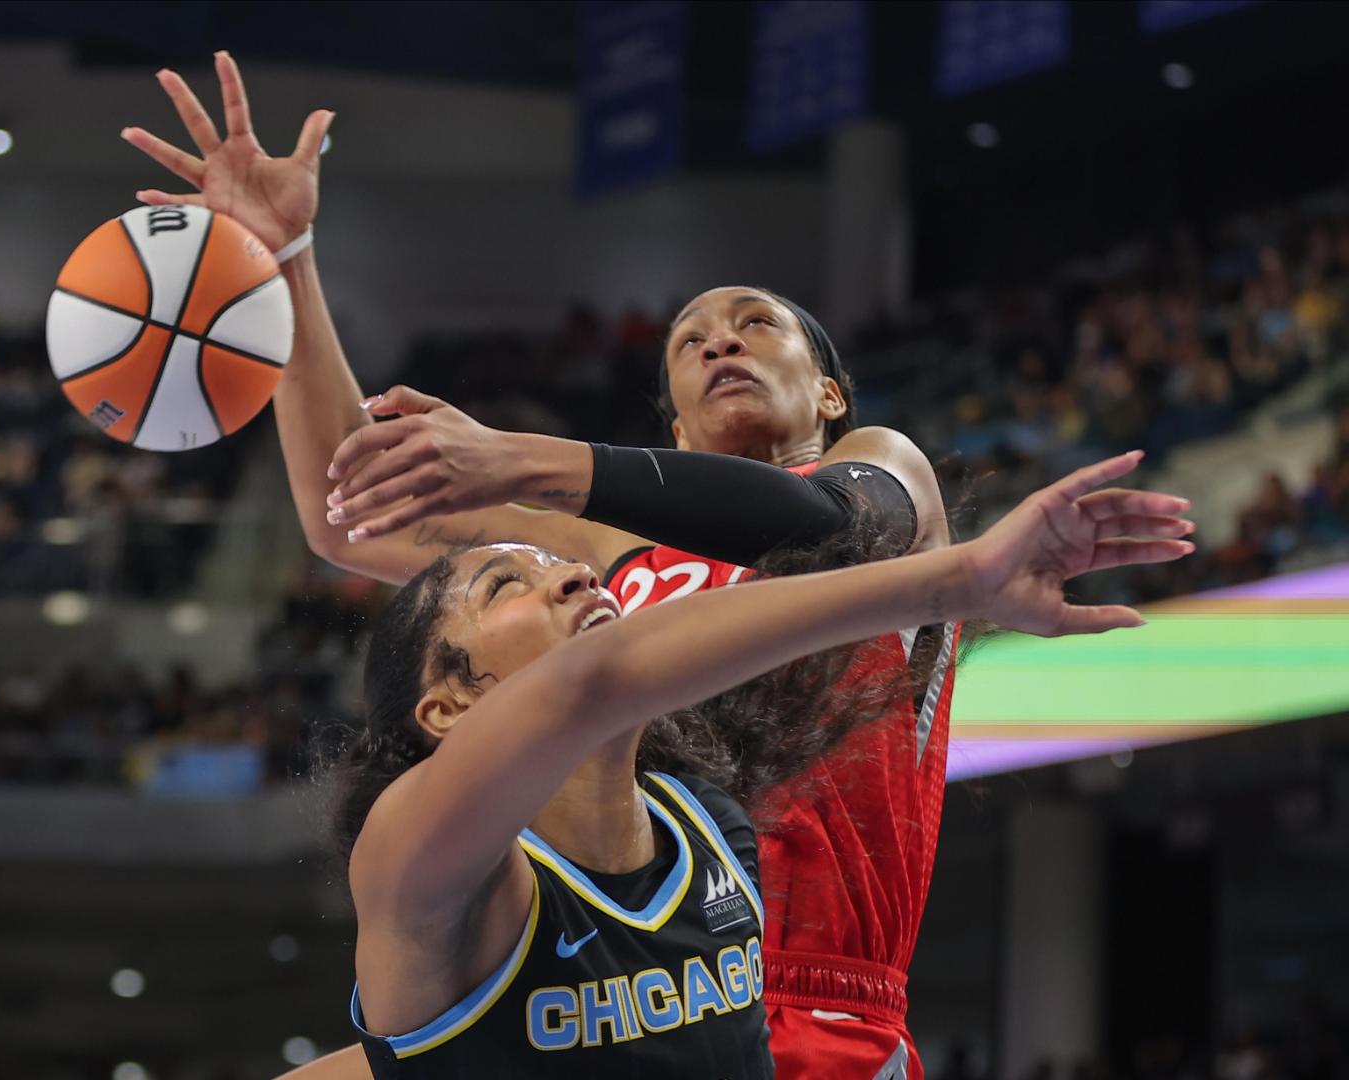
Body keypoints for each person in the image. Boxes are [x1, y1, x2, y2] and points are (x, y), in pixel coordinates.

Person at [120, 53, 1074, 1078]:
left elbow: (825, 526)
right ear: (671, 422)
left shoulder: (885, 476)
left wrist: (535, 461)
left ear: (831, 395)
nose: (721, 343)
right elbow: (349, 516)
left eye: (756, 323)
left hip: (820, 1005)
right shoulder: (594, 557)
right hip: (605, 962)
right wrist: (289, 263)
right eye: (691, 340)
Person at [326, 450, 1188, 1075]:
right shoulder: (413, 859)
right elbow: (590, 684)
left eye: (565, 563)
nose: (573, 580)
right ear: (444, 706)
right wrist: (960, 579)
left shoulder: (708, 828)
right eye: (506, 586)